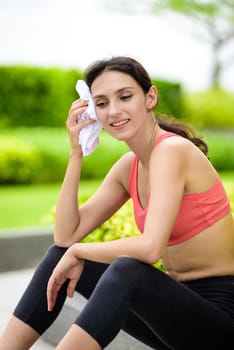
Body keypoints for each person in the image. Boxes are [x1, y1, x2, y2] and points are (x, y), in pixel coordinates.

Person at [1, 56, 234, 350]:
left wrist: (79, 251)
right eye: (101, 103)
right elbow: (65, 236)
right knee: (59, 255)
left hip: (221, 319)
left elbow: (150, 249)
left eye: (125, 97)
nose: (114, 111)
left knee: (127, 270)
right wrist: (76, 153)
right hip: (176, 315)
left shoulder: (172, 151)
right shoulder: (130, 167)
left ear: (150, 97)